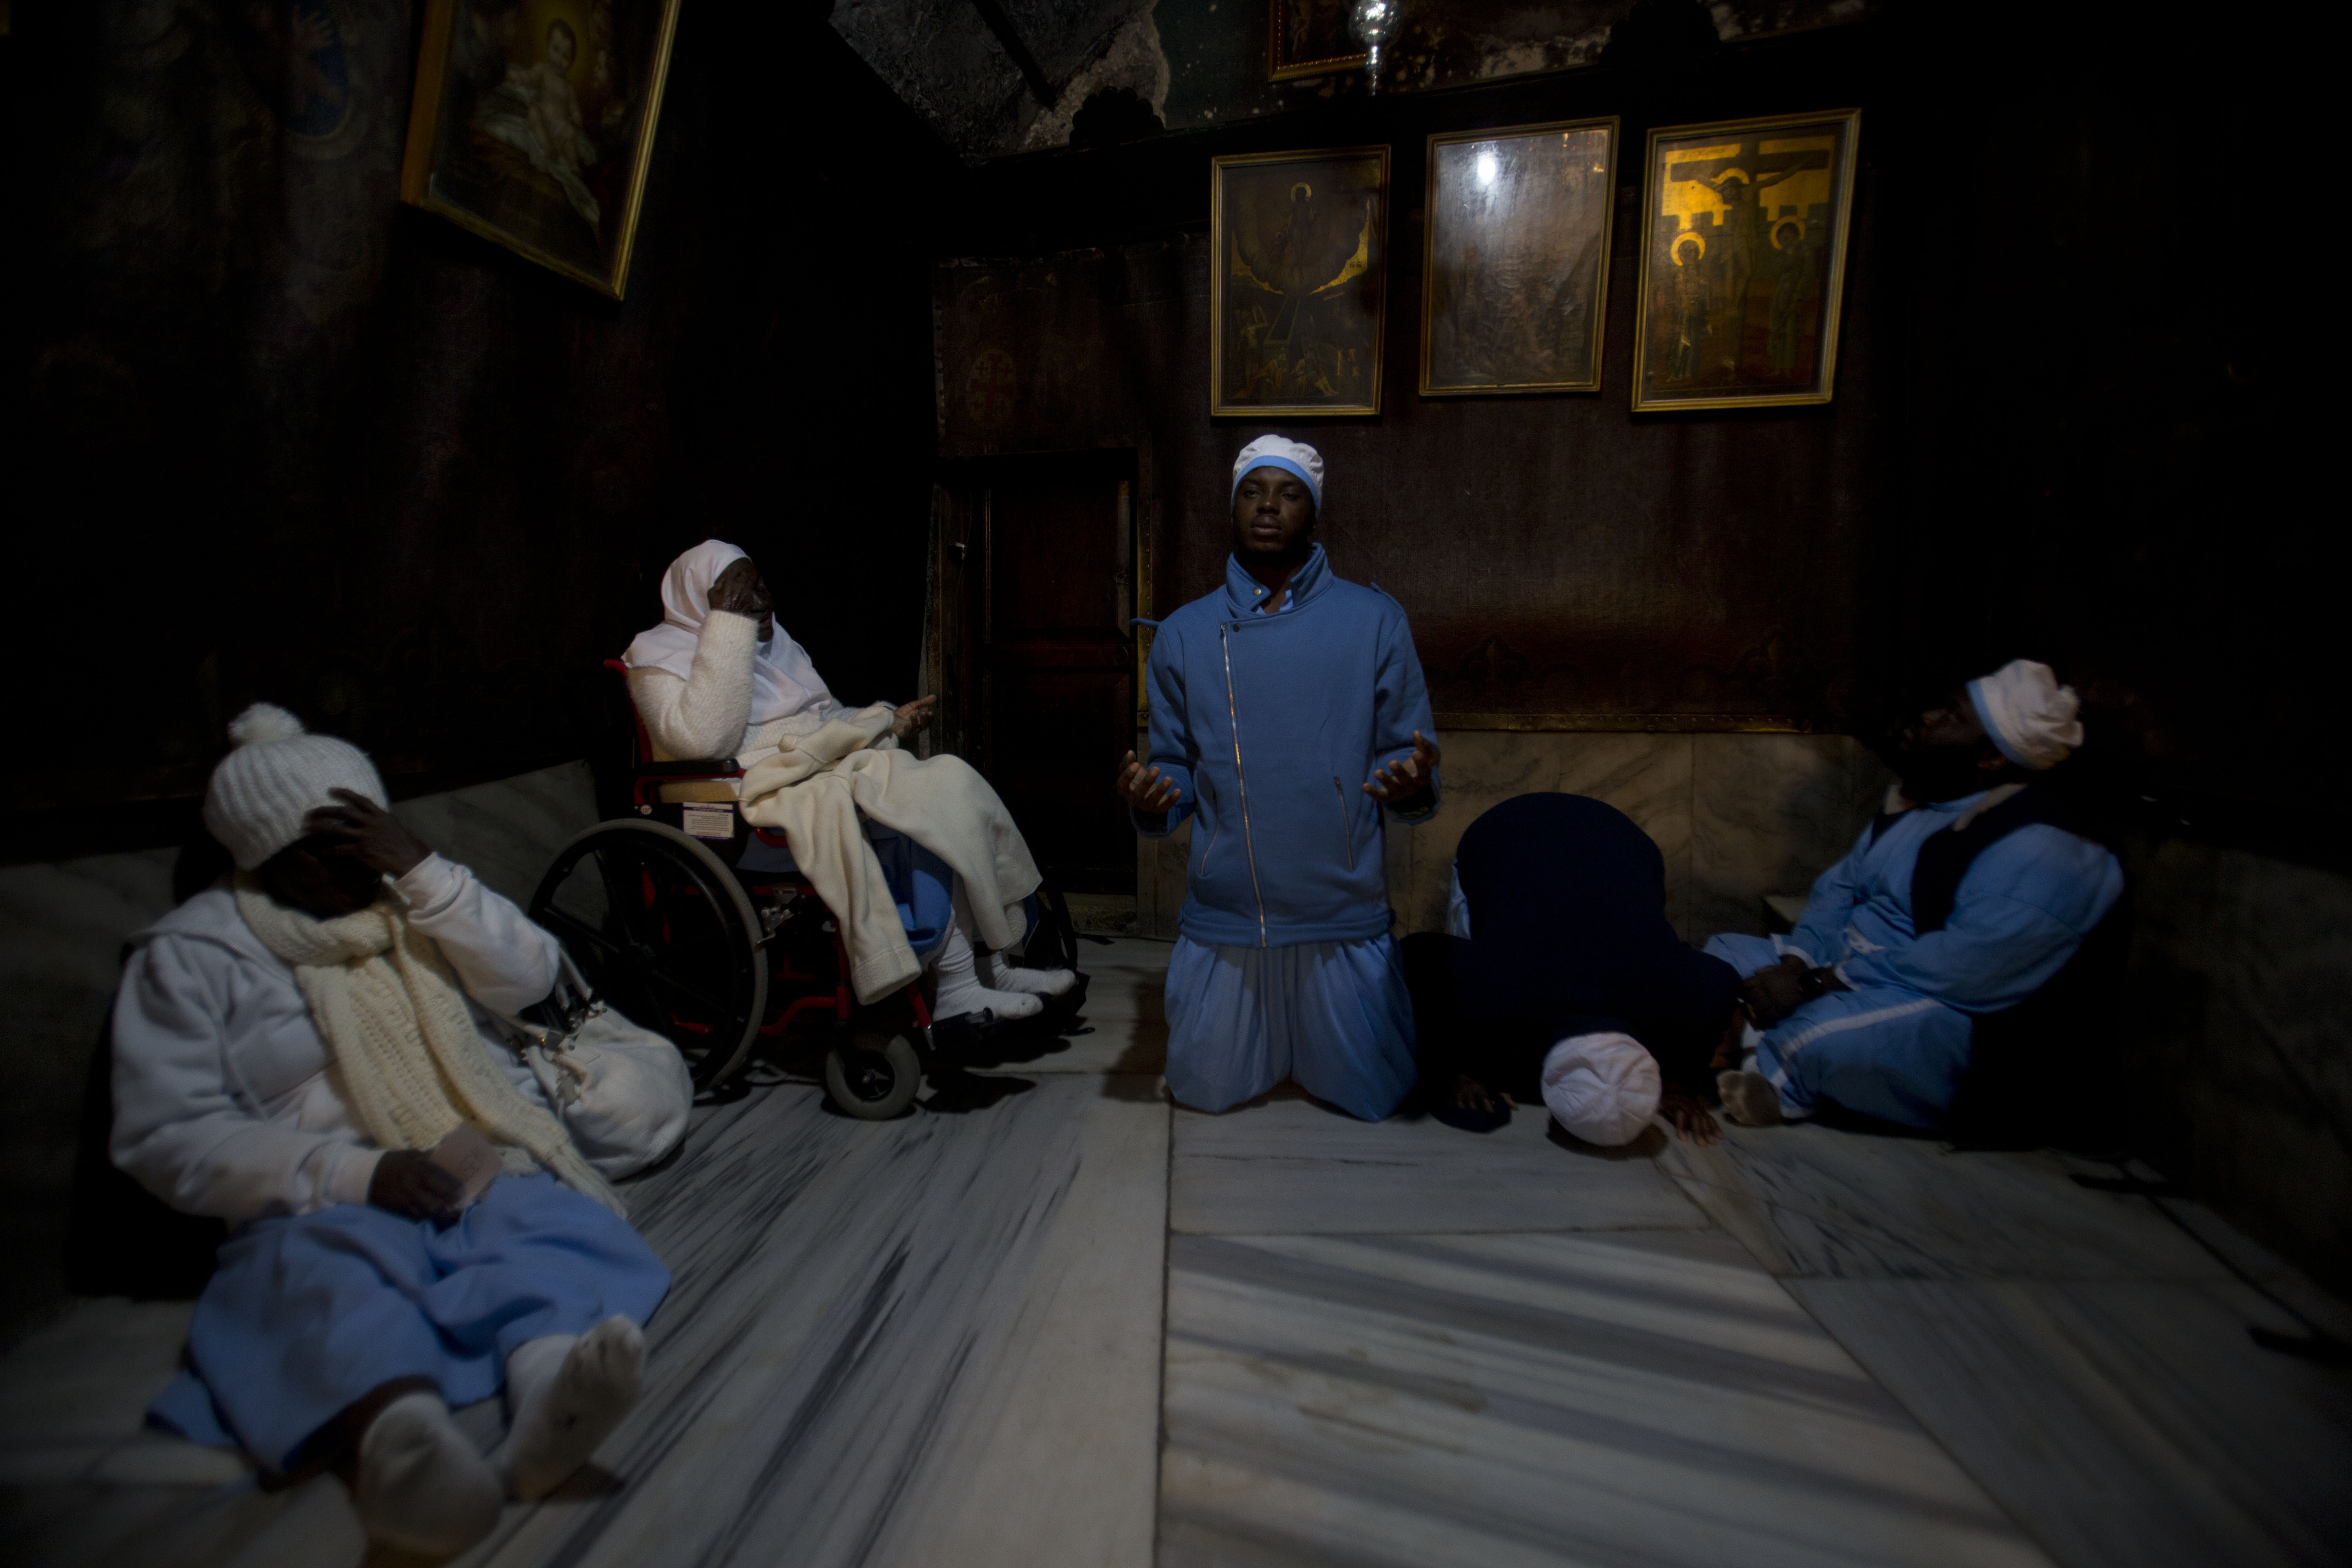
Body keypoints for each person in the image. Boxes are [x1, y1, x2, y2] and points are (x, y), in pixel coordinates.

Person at [111, 705, 670, 1556]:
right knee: (332, 1283)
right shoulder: (193, 954)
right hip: (320, 1194)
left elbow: (529, 982)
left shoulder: (406, 897)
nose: (354, 865)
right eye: (325, 848)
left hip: (464, 1156)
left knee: (540, 1226)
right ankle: (400, 1449)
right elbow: (168, 1135)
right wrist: (351, 1174)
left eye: (362, 835)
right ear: (265, 854)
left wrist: (422, 872)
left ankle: (549, 1397)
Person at [1117, 436, 1440, 1120]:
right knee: (1205, 1091)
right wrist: (1154, 797)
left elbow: (1401, 749)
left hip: (1339, 905)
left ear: (1313, 512)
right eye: (1253, 491)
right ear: (1232, 508)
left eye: (1289, 492)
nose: (1269, 505)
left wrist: (1407, 783)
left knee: (1371, 1097)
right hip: (1231, 907)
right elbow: (1173, 761)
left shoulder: (1374, 621)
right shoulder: (1184, 633)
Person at [624, 540, 1070, 1021]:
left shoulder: (779, 647)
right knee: (907, 806)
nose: (760, 602)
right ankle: (958, 985)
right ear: (702, 602)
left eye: (760, 585)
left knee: (948, 782)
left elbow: (825, 720)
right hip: (740, 803)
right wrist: (728, 628)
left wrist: (887, 721)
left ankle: (991, 967)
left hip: (816, 771)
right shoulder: (657, 657)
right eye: (736, 593)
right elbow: (707, 741)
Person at [1706, 659, 2126, 1130]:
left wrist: (1812, 986)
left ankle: (1773, 1075)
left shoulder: (2048, 849)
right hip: (1850, 970)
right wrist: (1796, 965)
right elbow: (1838, 893)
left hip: (1944, 1005)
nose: (1929, 719)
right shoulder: (1926, 804)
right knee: (1718, 956)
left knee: (1822, 1038)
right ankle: (1755, 1043)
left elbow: (1963, 971)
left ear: (1990, 758)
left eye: (1952, 716)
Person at [1405, 793, 1741, 1145]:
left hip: (1626, 843)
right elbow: (1416, 957)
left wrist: (1674, 1083)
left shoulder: (1686, 999)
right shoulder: (1500, 994)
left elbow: (1722, 982)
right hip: (1506, 831)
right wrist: (1453, 1071)